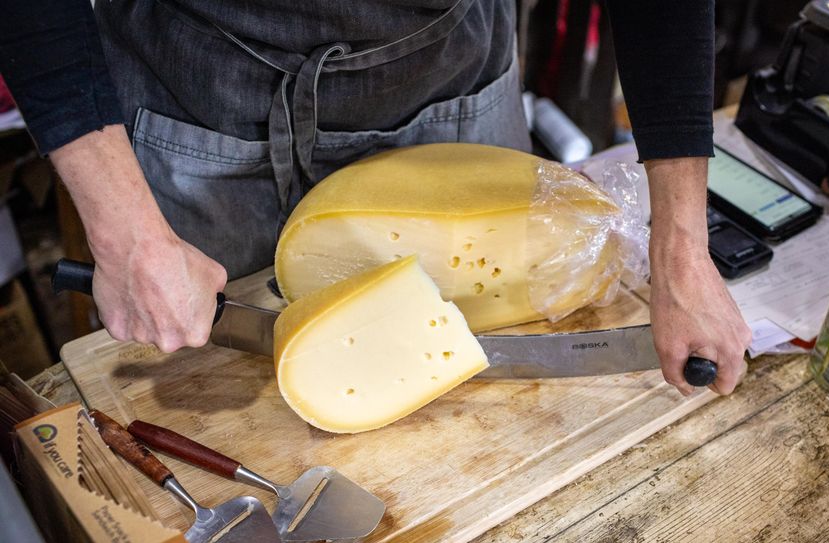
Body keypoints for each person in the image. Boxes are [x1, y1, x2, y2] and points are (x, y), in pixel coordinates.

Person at [0, 0, 751, 396]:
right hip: (208, 93)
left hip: (451, 71)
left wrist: (679, 242)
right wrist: (127, 236)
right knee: (223, 393)